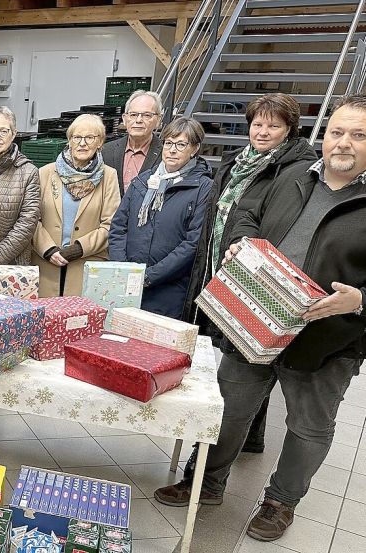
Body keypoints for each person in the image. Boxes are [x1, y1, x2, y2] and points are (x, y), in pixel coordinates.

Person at [154, 93, 366, 543]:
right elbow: (247, 212)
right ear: (323, 136)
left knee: (308, 426)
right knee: (228, 410)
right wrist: (242, 240)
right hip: (256, 321)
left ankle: (279, 502)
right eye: (336, 132)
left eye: (359, 135)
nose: (343, 143)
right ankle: (206, 483)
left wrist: (359, 300)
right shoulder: (292, 177)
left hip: (327, 339)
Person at [183, 93, 317, 460]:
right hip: (220, 262)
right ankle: (244, 436)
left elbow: (272, 222)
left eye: (273, 125)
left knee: (245, 364)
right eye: (258, 124)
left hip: (254, 277)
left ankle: (235, 444)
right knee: (227, 355)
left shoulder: (295, 169)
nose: (263, 131)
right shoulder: (237, 162)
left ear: (290, 130)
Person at [107, 116, 213, 319]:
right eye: (168, 143)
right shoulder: (144, 180)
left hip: (169, 290)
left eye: (181, 144)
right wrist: (125, 269)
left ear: (195, 149)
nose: (172, 150)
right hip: (128, 282)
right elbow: (118, 227)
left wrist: (148, 277)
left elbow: (193, 243)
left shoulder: (203, 187)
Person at [33, 114, 120, 298]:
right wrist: (48, 249)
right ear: (69, 141)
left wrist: (78, 249)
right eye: (77, 137)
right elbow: (32, 218)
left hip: (85, 265)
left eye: (90, 138)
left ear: (100, 143)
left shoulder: (109, 176)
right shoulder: (46, 173)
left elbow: (111, 225)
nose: (82, 143)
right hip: (47, 264)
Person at [0, 106, 40, 265]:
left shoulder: (28, 172)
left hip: (10, 264)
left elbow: (27, 224)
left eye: (3, 131)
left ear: (14, 134)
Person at [101, 90, 164, 195]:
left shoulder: (166, 156)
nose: (138, 120)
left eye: (146, 115)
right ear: (125, 119)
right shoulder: (106, 151)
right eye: (133, 114)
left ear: (158, 120)